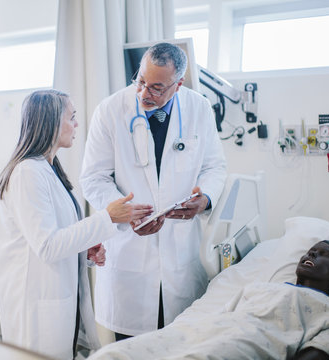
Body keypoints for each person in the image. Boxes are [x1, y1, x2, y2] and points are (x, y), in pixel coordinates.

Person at [79, 42, 227, 339]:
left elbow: (215, 167)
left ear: (178, 84)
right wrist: (123, 212)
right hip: (129, 256)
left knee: (181, 343)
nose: (144, 93)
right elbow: (93, 178)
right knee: (133, 348)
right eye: (141, 81)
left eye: (157, 87)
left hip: (180, 254)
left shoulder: (198, 107)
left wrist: (205, 198)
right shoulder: (110, 110)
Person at [0, 90, 153, 360]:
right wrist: (107, 217)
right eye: (72, 118)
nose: (77, 125)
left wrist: (86, 249)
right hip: (34, 308)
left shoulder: (48, 169)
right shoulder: (27, 173)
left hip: (57, 300)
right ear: (52, 122)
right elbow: (47, 246)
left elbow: (57, 236)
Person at [87, 241, 329, 360]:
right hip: (202, 332)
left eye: (323, 254)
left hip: (250, 342)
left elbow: (319, 353)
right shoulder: (258, 288)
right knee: (115, 354)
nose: (310, 255)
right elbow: (220, 319)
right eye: (310, 250)